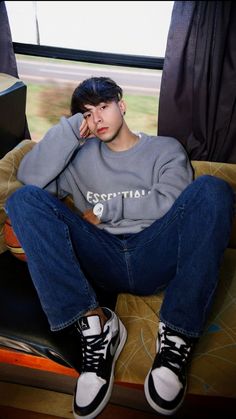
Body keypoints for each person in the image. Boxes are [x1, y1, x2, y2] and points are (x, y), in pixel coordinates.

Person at [5, 77, 234, 418]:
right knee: (22, 200)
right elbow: (29, 180)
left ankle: (176, 336)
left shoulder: (165, 148)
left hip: (155, 251)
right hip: (102, 257)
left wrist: (104, 210)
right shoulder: (78, 159)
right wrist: (70, 131)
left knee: (213, 189)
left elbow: (171, 200)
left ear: (121, 105)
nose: (97, 119)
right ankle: (95, 327)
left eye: (103, 106)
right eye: (86, 114)